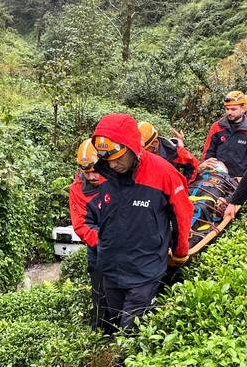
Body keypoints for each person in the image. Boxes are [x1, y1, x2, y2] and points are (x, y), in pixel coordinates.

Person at [90, 113, 193, 331]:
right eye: (108, 158)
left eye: (119, 157)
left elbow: (182, 215)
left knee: (131, 330)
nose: (114, 164)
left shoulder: (164, 173)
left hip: (144, 269)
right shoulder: (102, 174)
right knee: (115, 321)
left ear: (133, 147)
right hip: (111, 267)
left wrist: (180, 252)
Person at [67, 139, 106, 331]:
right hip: (99, 248)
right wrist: (106, 244)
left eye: (95, 170)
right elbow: (81, 226)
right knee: (100, 292)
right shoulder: (78, 190)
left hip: (128, 243)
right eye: (86, 171)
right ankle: (100, 331)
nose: (92, 176)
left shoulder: (119, 178)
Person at [201, 90, 247, 177]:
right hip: (217, 177)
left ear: (243, 108)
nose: (229, 112)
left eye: (233, 109)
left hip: (239, 180)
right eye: (227, 109)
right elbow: (208, 153)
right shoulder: (217, 127)